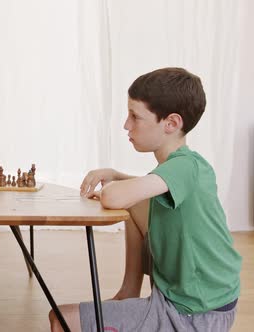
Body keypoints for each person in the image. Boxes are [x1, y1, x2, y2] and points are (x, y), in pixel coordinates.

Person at [49, 67, 242, 332]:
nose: (126, 125)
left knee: (61, 319)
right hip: (195, 302)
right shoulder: (180, 170)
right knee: (138, 204)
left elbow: (115, 197)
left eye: (135, 116)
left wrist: (114, 185)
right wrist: (115, 174)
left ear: (171, 124)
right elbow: (137, 191)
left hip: (194, 313)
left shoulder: (186, 166)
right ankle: (127, 295)